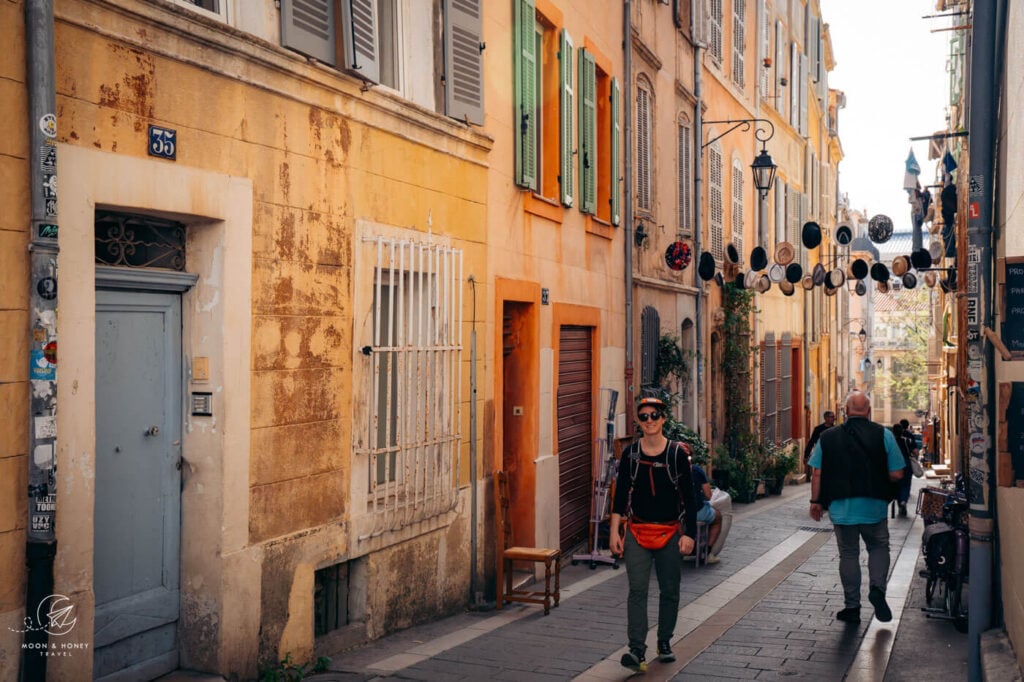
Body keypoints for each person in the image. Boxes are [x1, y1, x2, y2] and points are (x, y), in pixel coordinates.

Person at [610, 397, 697, 672]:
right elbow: (621, 495)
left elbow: (690, 498)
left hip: (670, 531)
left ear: (663, 419)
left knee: (669, 590)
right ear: (638, 421)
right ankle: (637, 649)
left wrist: (689, 534)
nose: (649, 421)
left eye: (654, 415)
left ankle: (664, 641)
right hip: (637, 530)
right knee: (637, 590)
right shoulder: (631, 455)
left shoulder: (676, 455)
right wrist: (615, 531)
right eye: (644, 416)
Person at [808, 392, 905, 625]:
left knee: (849, 553)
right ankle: (878, 589)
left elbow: (817, 472)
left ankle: (852, 607)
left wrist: (815, 502)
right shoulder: (885, 435)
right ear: (869, 411)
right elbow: (897, 473)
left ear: (845, 411)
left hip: (842, 507)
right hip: (874, 506)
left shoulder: (828, 437)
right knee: (879, 546)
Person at [689, 461, 723, 564]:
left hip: (676, 513)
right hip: (696, 511)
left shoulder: (668, 468)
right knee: (718, 517)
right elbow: (708, 495)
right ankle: (708, 552)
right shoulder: (696, 470)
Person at [804, 410, 836, 476]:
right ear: (826, 418)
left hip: (832, 455)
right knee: (818, 473)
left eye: (833, 417)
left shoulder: (836, 430)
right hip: (820, 454)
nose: (833, 419)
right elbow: (811, 442)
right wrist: (806, 455)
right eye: (831, 417)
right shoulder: (818, 429)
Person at [891, 424, 913, 517]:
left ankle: (900, 502)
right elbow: (915, 451)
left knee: (897, 485)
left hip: (895, 464)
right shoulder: (907, 441)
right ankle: (904, 501)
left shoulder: (891, 441)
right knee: (906, 484)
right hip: (906, 464)